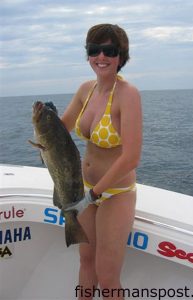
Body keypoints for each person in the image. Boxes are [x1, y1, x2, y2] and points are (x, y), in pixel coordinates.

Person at [61, 23, 142, 300]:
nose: (101, 57)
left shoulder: (128, 94)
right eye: (94, 50)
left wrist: (94, 195)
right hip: (85, 190)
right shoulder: (86, 90)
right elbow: (62, 130)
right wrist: (43, 120)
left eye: (109, 50)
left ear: (121, 56)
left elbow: (131, 157)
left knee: (107, 277)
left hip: (113, 194)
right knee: (85, 261)